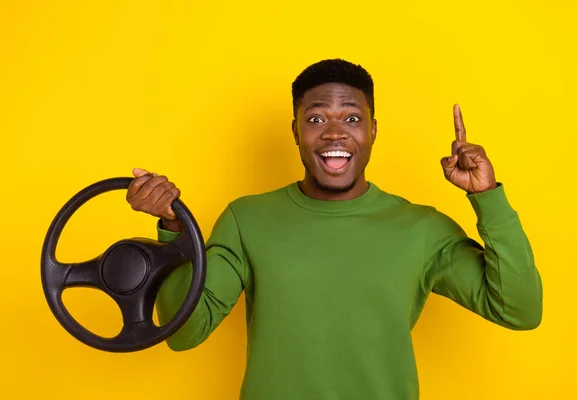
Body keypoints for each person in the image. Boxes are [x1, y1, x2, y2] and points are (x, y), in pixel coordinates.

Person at [125, 59, 543, 400]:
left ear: (373, 130)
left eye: (352, 117)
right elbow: (184, 334)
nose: (335, 132)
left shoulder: (421, 228)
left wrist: (488, 196)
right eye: (316, 118)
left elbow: (519, 309)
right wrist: (175, 230)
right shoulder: (246, 219)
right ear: (296, 132)